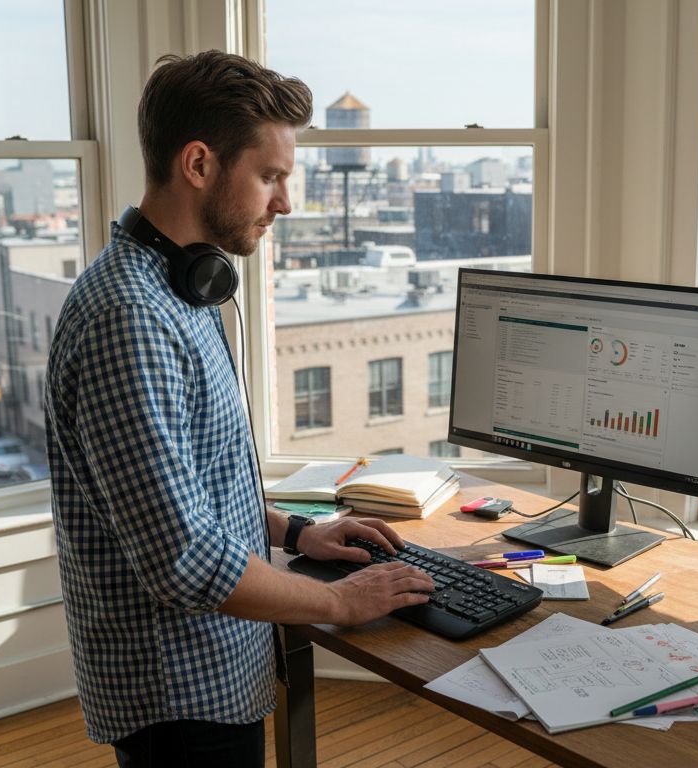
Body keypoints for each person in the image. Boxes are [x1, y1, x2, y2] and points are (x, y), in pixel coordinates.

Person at [44, 51, 435, 767]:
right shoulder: (131, 319)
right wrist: (344, 602)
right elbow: (185, 561)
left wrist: (298, 533)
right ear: (198, 164)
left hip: (213, 671)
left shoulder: (181, 289)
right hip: (178, 694)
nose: (285, 202)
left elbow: (195, 493)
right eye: (271, 176)